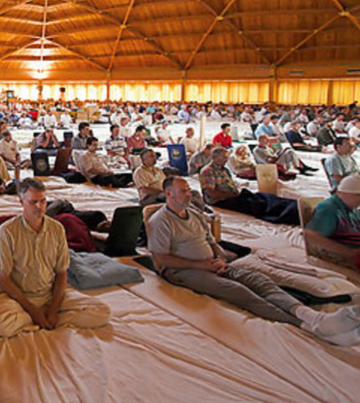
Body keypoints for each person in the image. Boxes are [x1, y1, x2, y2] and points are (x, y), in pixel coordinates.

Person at [149, 176, 360, 346]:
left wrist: (220, 257)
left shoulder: (194, 214)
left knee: (259, 281)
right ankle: (306, 326)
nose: (189, 194)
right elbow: (161, 258)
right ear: (169, 194)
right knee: (238, 291)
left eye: (188, 190)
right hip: (183, 270)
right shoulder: (161, 220)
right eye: (183, 191)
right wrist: (201, 265)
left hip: (213, 264)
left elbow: (211, 240)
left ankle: (313, 317)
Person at [0, 178, 111, 338]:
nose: (39, 207)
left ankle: (44, 320)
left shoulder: (56, 229)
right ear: (21, 202)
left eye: (43, 201)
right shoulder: (7, 231)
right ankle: (41, 320)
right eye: (33, 202)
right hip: (17, 298)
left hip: (47, 294)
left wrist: (53, 309)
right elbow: (3, 279)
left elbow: (61, 273)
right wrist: (32, 310)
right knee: (0, 325)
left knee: (102, 312)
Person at [200, 147, 299, 224]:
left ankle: (295, 206)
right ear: (214, 157)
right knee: (256, 205)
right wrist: (235, 195)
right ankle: (291, 213)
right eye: (224, 157)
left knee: (264, 197)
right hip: (221, 200)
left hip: (233, 194)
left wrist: (238, 192)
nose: (226, 160)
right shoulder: (208, 171)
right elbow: (212, 194)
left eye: (226, 157)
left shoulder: (224, 170)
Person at [304, 174, 360, 272]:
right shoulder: (329, 208)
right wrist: (349, 253)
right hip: (348, 254)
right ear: (345, 192)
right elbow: (311, 235)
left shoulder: (352, 209)